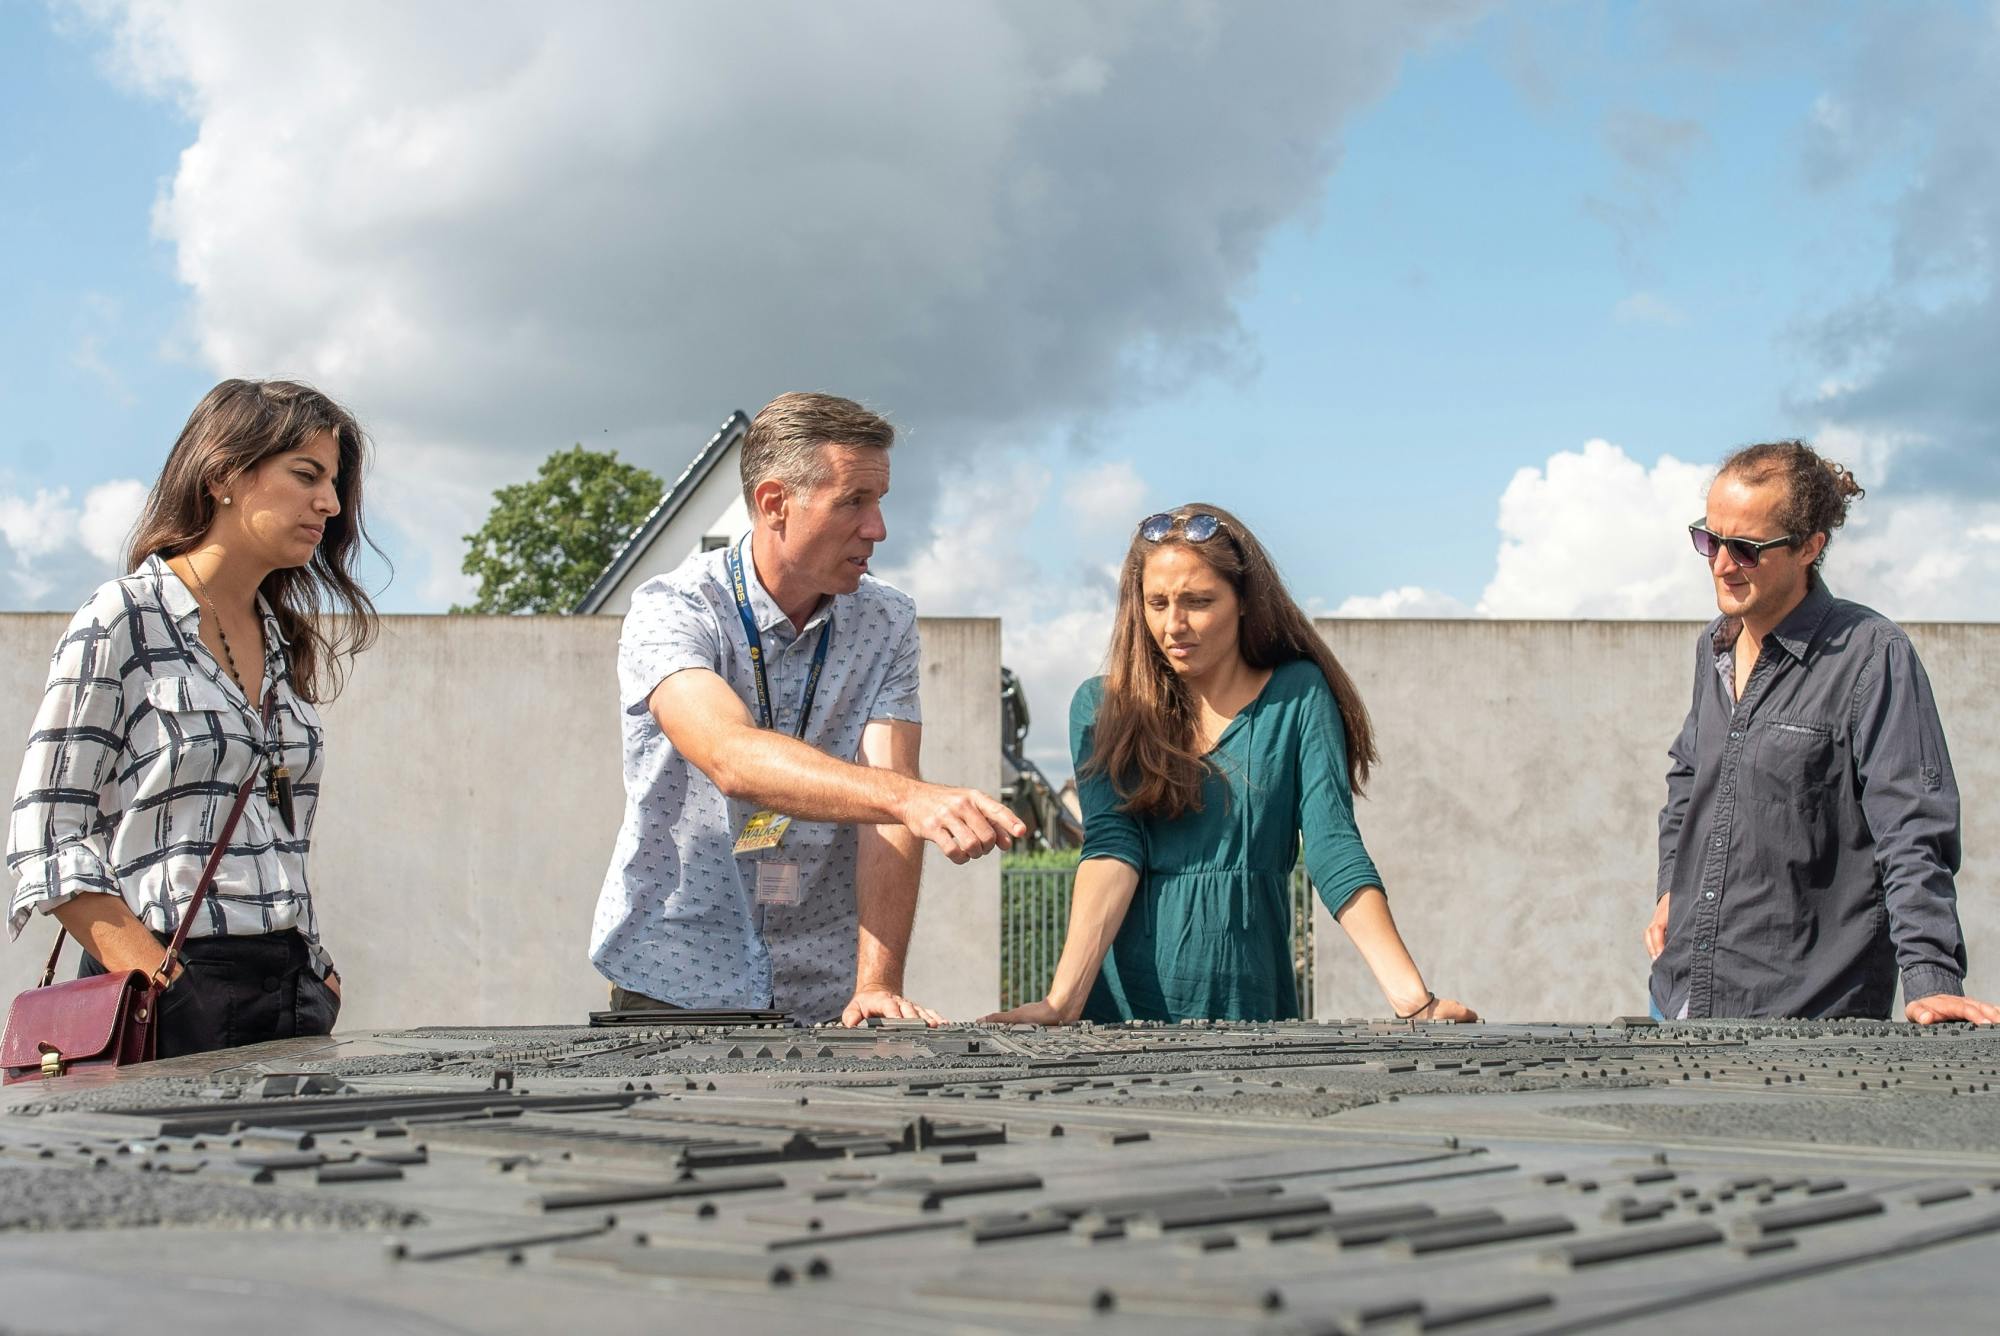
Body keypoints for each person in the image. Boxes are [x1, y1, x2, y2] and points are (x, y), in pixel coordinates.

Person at [589, 392, 1025, 1027]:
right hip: (674, 982)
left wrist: (877, 984)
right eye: (853, 501)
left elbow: (888, 812)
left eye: (879, 501)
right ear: (775, 504)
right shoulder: (673, 608)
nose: (877, 528)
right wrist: (908, 798)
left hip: (824, 995)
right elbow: (729, 756)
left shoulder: (888, 618)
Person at [986, 504, 1475, 1025]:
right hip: (1122, 1017)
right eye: (1157, 602)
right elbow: (1112, 850)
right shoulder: (1104, 706)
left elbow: (1334, 846)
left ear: (1244, 601)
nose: (1174, 625)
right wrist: (1062, 1003)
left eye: (1198, 602)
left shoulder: (1299, 696)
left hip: (1253, 1009)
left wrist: (1411, 999)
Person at [7, 379, 377, 1057]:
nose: (327, 502)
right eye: (306, 475)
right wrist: (162, 980)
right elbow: (48, 836)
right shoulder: (123, 619)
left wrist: (320, 974)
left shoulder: (282, 639)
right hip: (172, 994)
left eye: (332, 481)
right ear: (224, 475)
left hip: (294, 990)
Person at [1647, 441, 1998, 1024]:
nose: (1721, 564)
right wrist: (1669, 888)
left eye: (1746, 549)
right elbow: (1689, 778)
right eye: (1709, 539)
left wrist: (1931, 978)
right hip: (1680, 998)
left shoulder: (1872, 656)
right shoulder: (1715, 648)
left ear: (1811, 547)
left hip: (1807, 1021)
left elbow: (1912, 827)